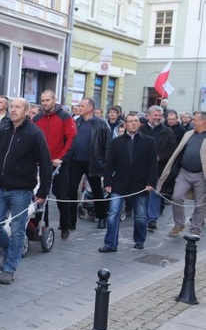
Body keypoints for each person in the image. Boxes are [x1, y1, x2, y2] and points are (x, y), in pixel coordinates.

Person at [0, 98, 52, 284]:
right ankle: (9, 252)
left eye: (18, 107)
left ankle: (10, 268)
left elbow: (46, 163)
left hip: (21, 190)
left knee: (17, 230)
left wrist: (43, 191)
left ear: (26, 111)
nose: (13, 110)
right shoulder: (4, 129)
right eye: (12, 107)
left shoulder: (34, 133)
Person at [99, 114, 157, 253]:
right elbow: (109, 164)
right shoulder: (117, 142)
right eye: (131, 121)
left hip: (140, 184)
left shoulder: (149, 142)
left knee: (141, 214)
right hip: (119, 183)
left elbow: (153, 165)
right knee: (113, 213)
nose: (134, 124)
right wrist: (107, 182)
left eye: (136, 121)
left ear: (139, 124)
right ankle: (110, 243)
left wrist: (151, 182)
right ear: (125, 124)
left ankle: (139, 240)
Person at [33, 90, 77, 239]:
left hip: (58, 163)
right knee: (40, 195)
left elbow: (71, 138)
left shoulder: (64, 116)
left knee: (61, 195)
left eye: (47, 100)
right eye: (43, 100)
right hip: (40, 163)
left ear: (54, 100)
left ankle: (65, 225)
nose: (45, 103)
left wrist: (61, 158)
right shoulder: (37, 118)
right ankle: (42, 224)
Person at [157, 111, 206, 237]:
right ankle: (179, 224)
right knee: (176, 197)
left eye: (195, 120)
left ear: (203, 122)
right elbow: (179, 151)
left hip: (201, 175)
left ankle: (195, 228)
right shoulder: (189, 134)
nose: (192, 122)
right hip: (184, 172)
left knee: (200, 203)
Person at [67, 98, 110, 230]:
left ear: (90, 108)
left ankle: (102, 217)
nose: (79, 108)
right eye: (79, 105)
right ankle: (71, 221)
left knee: (97, 191)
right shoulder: (76, 122)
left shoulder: (101, 124)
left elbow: (107, 146)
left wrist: (105, 165)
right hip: (76, 162)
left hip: (93, 163)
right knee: (71, 190)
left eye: (82, 106)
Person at [140, 105, 176, 231]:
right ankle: (141, 215)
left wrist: (160, 157)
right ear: (148, 116)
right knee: (141, 192)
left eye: (160, 116)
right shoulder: (141, 129)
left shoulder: (167, 132)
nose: (158, 118)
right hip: (141, 167)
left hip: (158, 167)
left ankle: (152, 219)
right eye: (155, 115)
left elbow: (172, 149)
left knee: (155, 193)